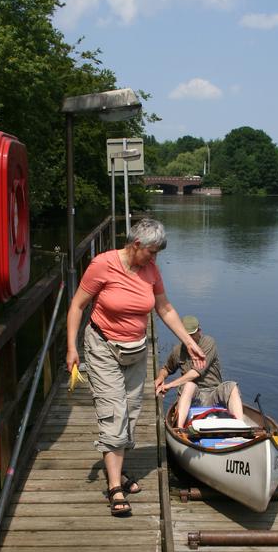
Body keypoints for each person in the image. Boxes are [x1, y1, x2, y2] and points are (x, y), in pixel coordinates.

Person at [66, 218, 206, 516]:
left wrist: (189, 342)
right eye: (152, 252)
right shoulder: (102, 265)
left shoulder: (151, 271)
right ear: (136, 245)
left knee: (129, 413)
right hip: (103, 347)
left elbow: (165, 308)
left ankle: (117, 468)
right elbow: (77, 305)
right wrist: (71, 348)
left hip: (137, 350)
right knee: (113, 413)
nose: (155, 259)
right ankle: (115, 487)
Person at [154, 315, 244, 430]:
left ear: (199, 331)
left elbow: (195, 373)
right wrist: (160, 377)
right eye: (186, 335)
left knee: (232, 386)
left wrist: (170, 385)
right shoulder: (178, 350)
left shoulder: (208, 343)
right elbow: (167, 368)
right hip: (194, 396)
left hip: (214, 392)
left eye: (192, 335)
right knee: (189, 385)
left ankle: (241, 427)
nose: (190, 338)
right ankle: (180, 429)